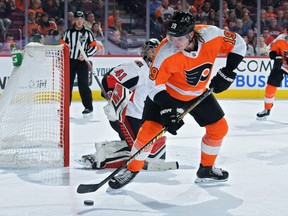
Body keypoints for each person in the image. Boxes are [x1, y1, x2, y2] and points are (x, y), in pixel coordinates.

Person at [108, 10, 246, 189]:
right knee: (148, 132)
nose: (173, 41)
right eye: (170, 36)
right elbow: (153, 85)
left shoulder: (212, 35)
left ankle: (206, 169)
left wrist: (228, 71)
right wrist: (167, 109)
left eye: (178, 38)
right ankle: (132, 169)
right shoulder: (165, 51)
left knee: (219, 129)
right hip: (167, 94)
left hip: (198, 93)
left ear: (191, 34)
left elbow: (239, 44)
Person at [77, 38, 168, 169]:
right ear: (146, 52)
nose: (155, 54)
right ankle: (99, 157)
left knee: (155, 149)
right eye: (153, 51)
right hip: (128, 117)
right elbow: (110, 79)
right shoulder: (138, 67)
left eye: (158, 51)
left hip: (144, 118)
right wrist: (110, 94)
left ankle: (106, 152)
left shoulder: (159, 71)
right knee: (138, 150)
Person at [60, 11, 97, 116]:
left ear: (84, 20)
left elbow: (94, 46)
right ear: (74, 20)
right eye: (77, 19)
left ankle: (88, 107)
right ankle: (65, 108)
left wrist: (86, 55)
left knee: (84, 84)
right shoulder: (68, 33)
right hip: (70, 62)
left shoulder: (88, 33)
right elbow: (62, 46)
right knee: (67, 85)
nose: (79, 21)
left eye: (81, 19)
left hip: (82, 63)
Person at [256, 28, 288, 120]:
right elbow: (270, 49)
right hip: (282, 66)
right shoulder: (281, 39)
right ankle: (267, 109)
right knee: (270, 86)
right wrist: (276, 56)